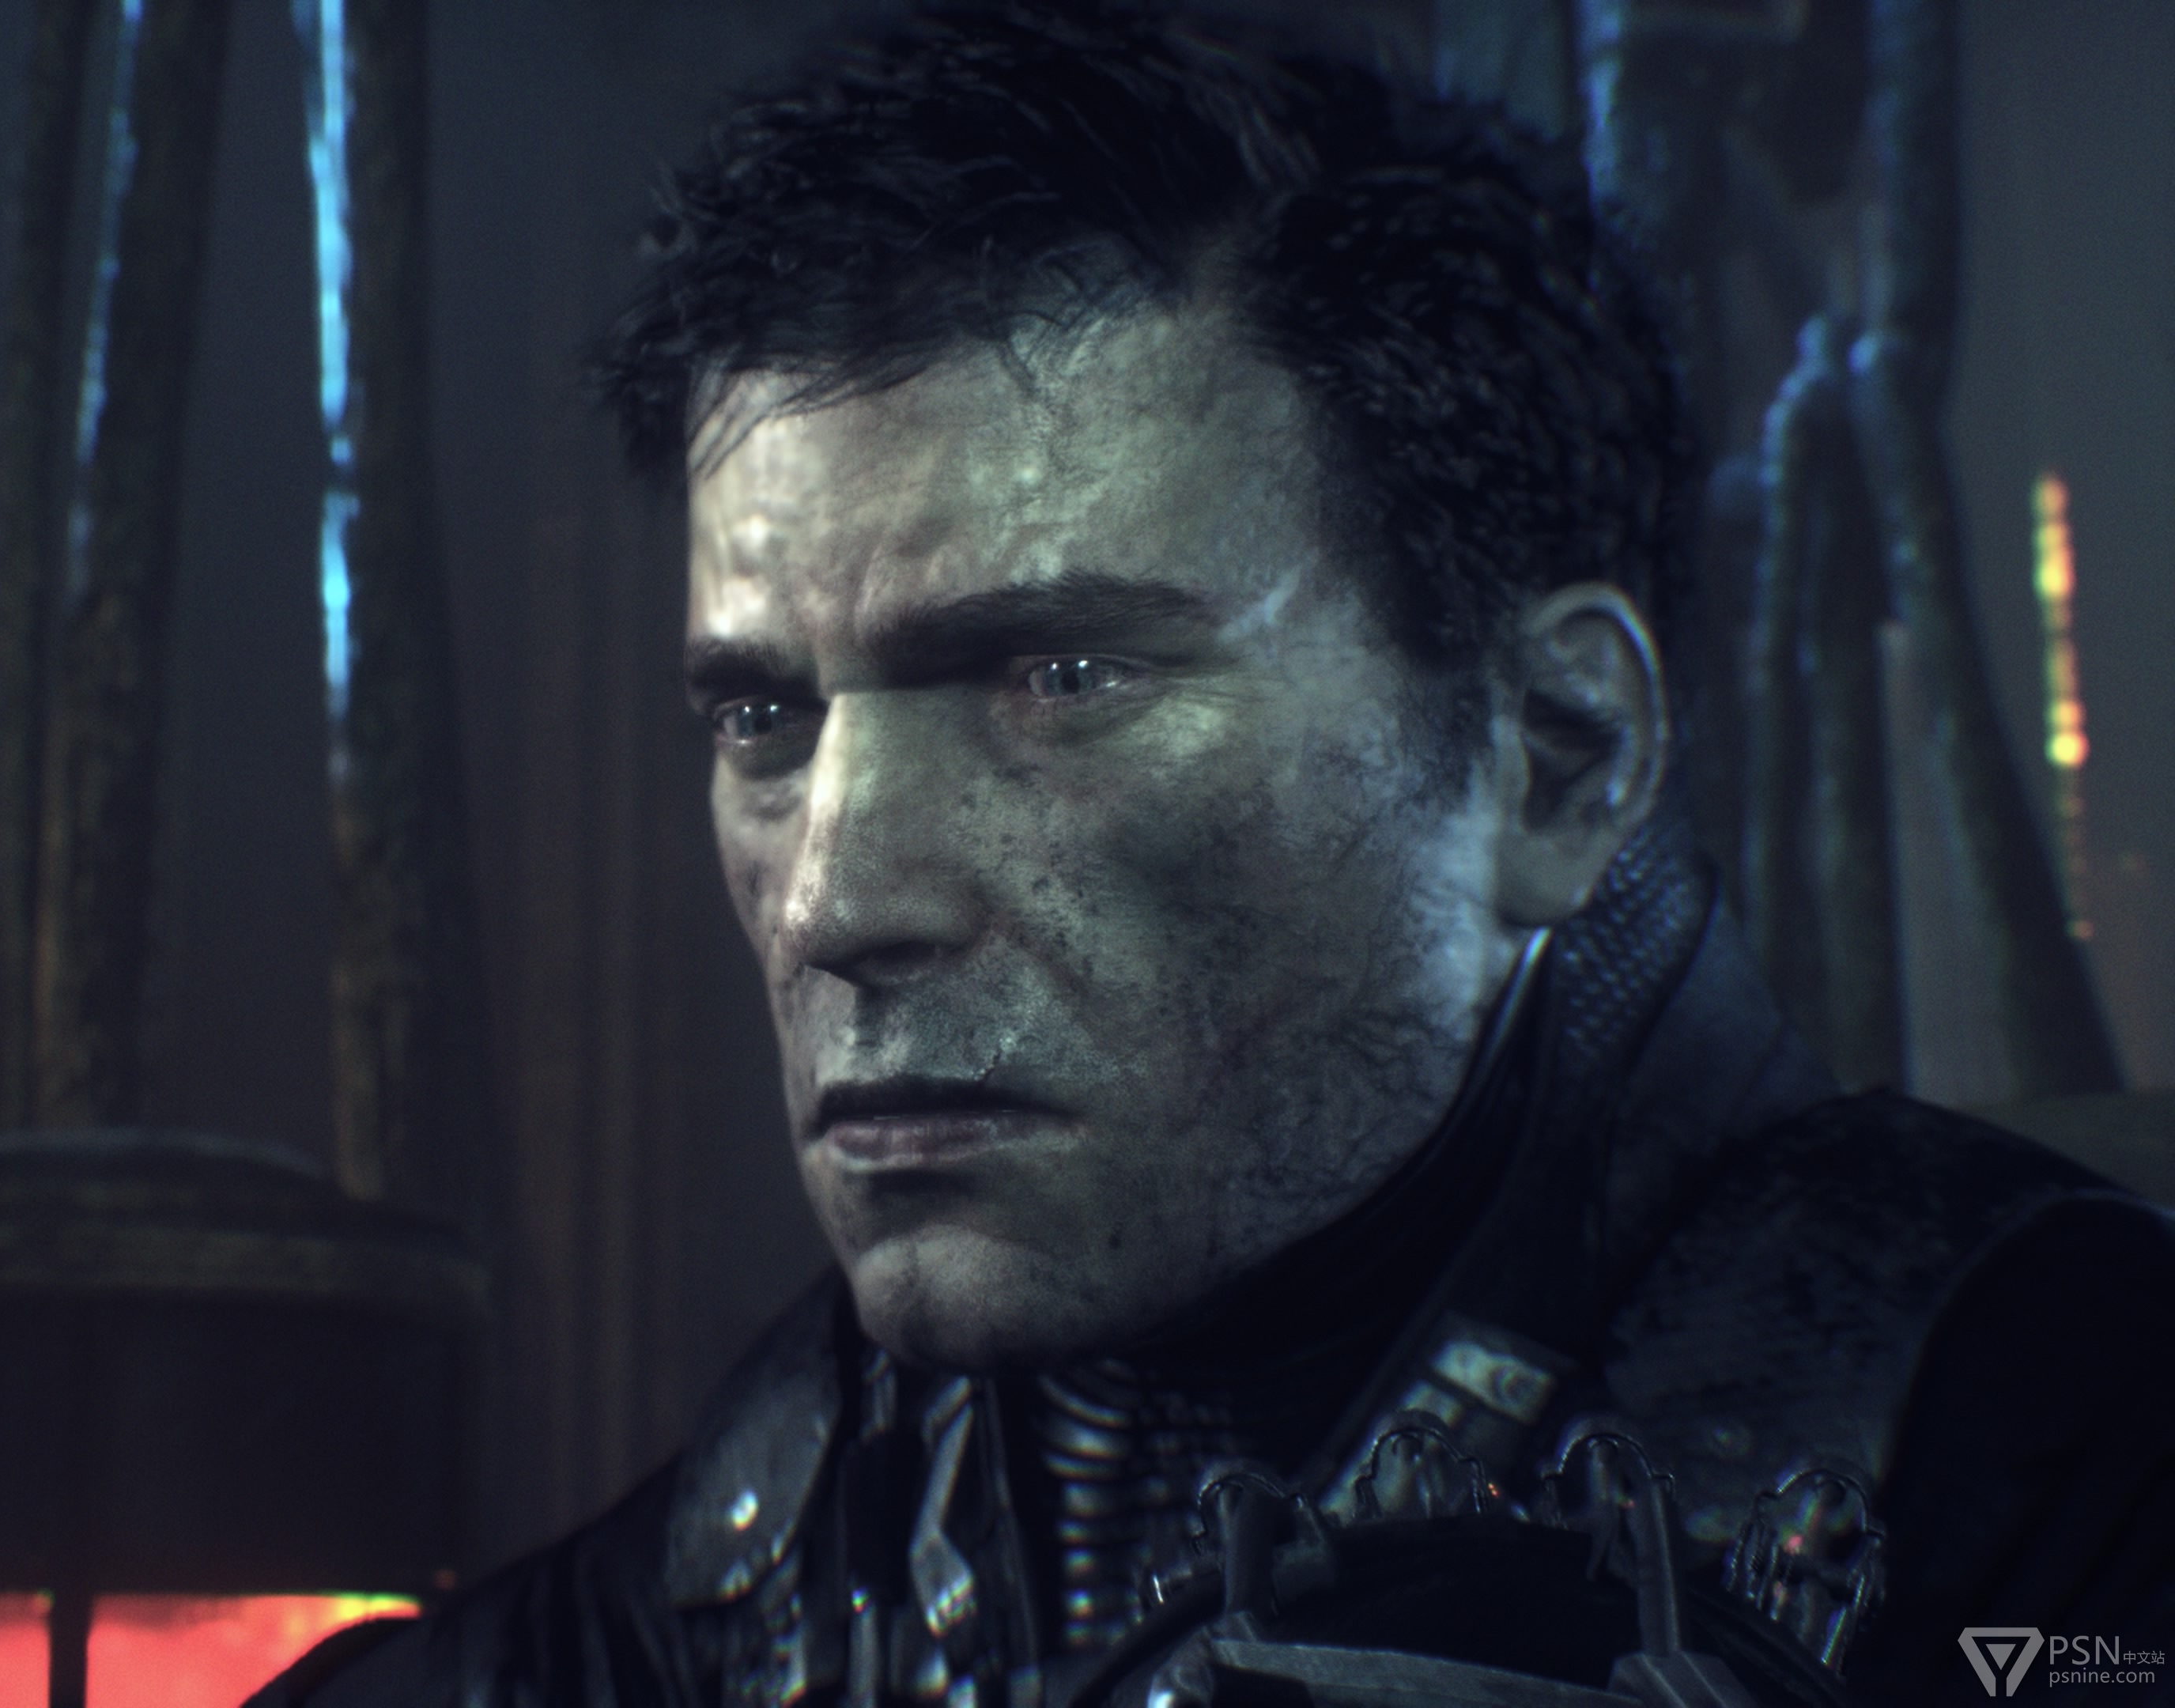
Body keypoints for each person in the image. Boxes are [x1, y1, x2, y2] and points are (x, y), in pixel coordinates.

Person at [261, 4, 2175, 1702]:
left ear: (1557, 758)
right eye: (766, 716)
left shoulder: (2070, 1466)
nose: (836, 903)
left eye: (1061, 675)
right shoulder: (785, 1525)